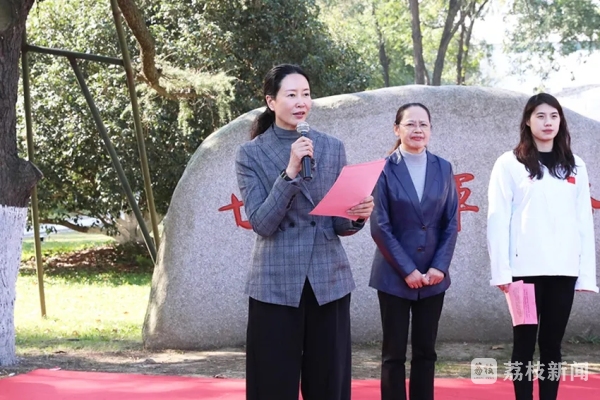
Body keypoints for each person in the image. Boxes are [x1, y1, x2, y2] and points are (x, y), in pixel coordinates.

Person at [235, 63, 374, 400]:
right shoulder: (251, 154)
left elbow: (337, 222)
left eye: (306, 94)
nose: (301, 102)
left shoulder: (331, 146)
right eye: (292, 94)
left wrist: (357, 216)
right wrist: (290, 172)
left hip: (328, 281)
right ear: (271, 101)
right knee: (272, 384)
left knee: (329, 384)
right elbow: (262, 223)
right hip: (275, 284)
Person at [487, 92, 598, 400]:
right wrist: (502, 271)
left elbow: (583, 222)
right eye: (540, 116)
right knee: (523, 345)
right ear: (527, 120)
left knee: (552, 345)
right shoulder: (509, 163)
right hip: (523, 274)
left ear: (560, 121)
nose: (548, 122)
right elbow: (498, 218)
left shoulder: (575, 166)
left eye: (553, 116)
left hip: (563, 271)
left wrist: (585, 274)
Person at [369, 103, 459, 400]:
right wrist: (407, 270)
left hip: (433, 276)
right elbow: (380, 226)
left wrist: (439, 266)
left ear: (430, 129)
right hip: (393, 275)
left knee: (426, 351)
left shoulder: (443, 168)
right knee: (393, 354)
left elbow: (450, 222)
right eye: (410, 124)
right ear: (397, 129)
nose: (417, 130)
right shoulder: (383, 169)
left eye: (423, 124)